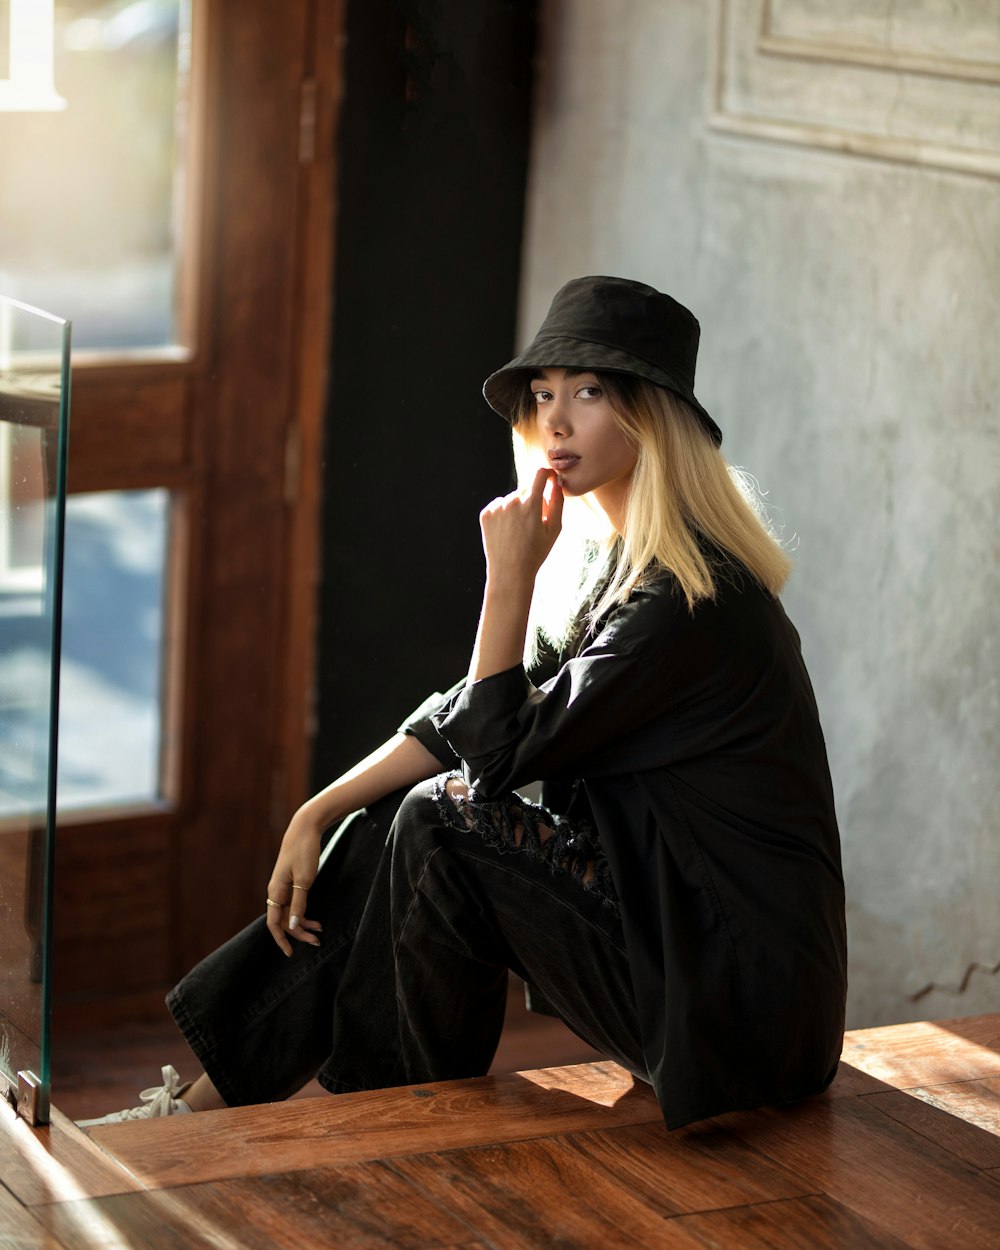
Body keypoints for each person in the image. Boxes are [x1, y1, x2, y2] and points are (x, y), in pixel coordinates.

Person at [79, 275, 847, 1132]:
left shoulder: (691, 604)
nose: (554, 421)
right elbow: (466, 715)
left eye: (588, 393)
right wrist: (321, 806)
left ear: (651, 417)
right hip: (678, 969)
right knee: (391, 816)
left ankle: (378, 1124)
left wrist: (509, 579)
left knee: (440, 817)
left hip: (743, 1020)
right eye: (544, 395)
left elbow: (493, 758)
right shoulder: (621, 572)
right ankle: (213, 1109)